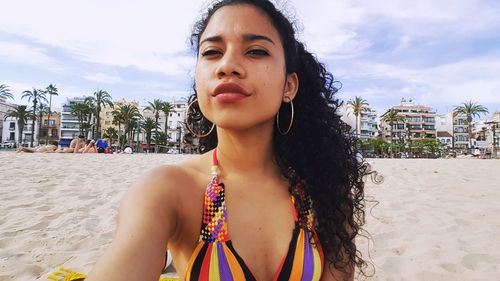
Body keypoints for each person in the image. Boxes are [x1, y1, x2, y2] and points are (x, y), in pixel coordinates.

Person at [87, 1, 368, 280]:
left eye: (256, 51)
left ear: (289, 85)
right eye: (212, 52)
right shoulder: (166, 191)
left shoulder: (324, 190)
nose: (227, 65)